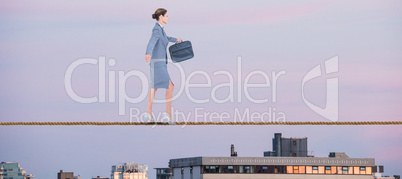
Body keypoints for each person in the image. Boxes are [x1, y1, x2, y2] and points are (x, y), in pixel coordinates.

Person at [144, 8, 182, 125]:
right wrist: (148, 53)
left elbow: (165, 39)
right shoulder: (156, 29)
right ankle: (167, 114)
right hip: (158, 63)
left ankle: (148, 113)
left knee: (154, 87)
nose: (168, 18)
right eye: (166, 16)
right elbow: (152, 41)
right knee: (170, 86)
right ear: (161, 17)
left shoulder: (160, 29)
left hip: (158, 63)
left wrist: (176, 40)